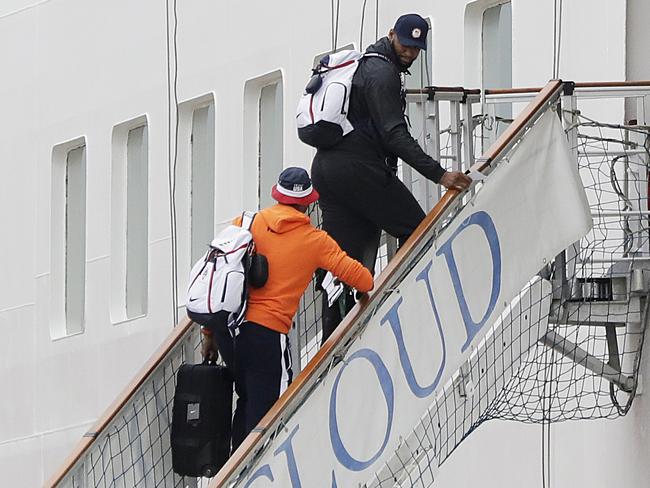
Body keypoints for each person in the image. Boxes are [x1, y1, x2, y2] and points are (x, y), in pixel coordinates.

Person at [311, 13, 472, 343]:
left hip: (329, 169)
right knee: (417, 229)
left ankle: (333, 343)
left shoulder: (364, 66)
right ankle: (400, 305)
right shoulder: (382, 73)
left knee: (345, 263)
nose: (410, 53)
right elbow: (394, 135)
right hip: (360, 170)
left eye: (416, 48)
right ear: (391, 36)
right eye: (405, 45)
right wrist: (440, 174)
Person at [198, 167, 373, 453]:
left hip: (227, 331)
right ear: (307, 203)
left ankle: (234, 472)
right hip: (266, 336)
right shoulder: (315, 241)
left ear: (277, 196)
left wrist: (209, 335)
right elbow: (364, 280)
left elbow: (217, 278)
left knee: (246, 400)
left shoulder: (245, 222)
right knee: (272, 411)